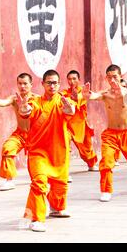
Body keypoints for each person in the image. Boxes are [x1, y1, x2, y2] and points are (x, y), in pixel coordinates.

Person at [16, 70, 76, 232]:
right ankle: (36, 218)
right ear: (42, 84)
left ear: (59, 84)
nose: (52, 85)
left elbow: (70, 110)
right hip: (38, 152)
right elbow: (27, 111)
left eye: (55, 82)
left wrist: (69, 108)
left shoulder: (64, 100)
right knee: (39, 182)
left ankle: (56, 209)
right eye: (49, 82)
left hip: (58, 152)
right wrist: (23, 108)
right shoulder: (36, 102)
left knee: (60, 186)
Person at [83, 65, 127, 202]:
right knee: (106, 162)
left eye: (115, 76)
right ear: (106, 78)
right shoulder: (105, 94)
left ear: (120, 77)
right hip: (110, 134)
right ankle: (106, 190)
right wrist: (87, 95)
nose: (112, 79)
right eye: (109, 77)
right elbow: (94, 95)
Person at [0, 73, 37, 191]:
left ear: (31, 84)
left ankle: (58, 175)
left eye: (25, 83)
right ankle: (9, 180)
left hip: (36, 135)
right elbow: (3, 103)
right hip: (20, 134)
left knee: (40, 161)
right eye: (20, 83)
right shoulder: (14, 98)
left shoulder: (37, 98)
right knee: (7, 148)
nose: (22, 86)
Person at [60, 70, 99, 176]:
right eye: (69, 79)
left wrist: (77, 97)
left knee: (86, 148)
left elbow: (83, 97)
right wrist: (68, 98)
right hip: (67, 125)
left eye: (74, 79)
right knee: (65, 146)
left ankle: (91, 164)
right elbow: (61, 98)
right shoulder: (65, 92)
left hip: (81, 124)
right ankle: (64, 171)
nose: (71, 81)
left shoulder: (83, 91)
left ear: (79, 80)